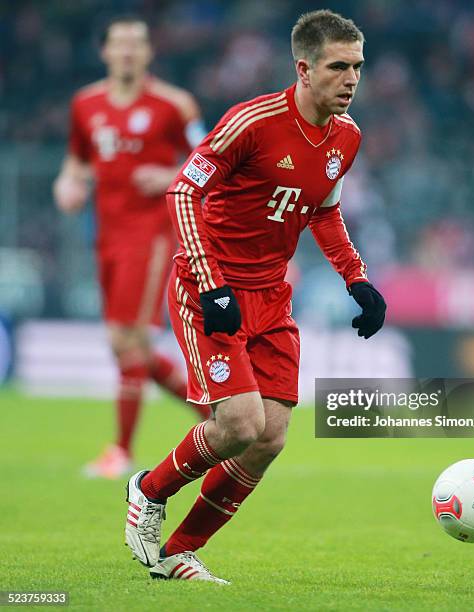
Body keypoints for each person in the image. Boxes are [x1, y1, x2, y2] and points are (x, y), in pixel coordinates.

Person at [125, 9, 386, 583]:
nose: (351, 79)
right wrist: (211, 282)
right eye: (338, 66)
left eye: (358, 67)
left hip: (271, 297)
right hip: (209, 287)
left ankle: (176, 552)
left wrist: (357, 279)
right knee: (239, 424)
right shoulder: (252, 121)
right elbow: (183, 193)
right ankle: (147, 489)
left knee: (269, 437)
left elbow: (324, 210)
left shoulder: (347, 137)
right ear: (303, 68)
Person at [53, 16, 210, 479]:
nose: (127, 52)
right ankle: (214, 420)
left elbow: (209, 159)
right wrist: (69, 182)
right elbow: (78, 158)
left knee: (131, 339)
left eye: (136, 44)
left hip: (155, 232)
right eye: (119, 44)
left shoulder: (174, 105)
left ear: (148, 53)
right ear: (104, 51)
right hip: (106, 233)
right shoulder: (85, 104)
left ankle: (120, 451)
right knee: (123, 344)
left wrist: (169, 176)